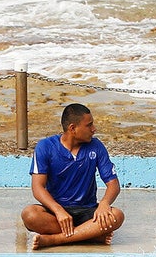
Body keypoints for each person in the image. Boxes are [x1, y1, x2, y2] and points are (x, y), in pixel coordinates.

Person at [21, 103, 124, 249]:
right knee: (29, 215)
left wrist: (104, 203)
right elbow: (38, 187)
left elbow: (113, 184)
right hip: (56, 213)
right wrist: (58, 210)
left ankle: (55, 239)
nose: (94, 129)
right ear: (72, 128)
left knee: (117, 215)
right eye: (89, 125)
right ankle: (88, 235)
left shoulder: (96, 146)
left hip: (87, 211)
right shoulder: (45, 147)